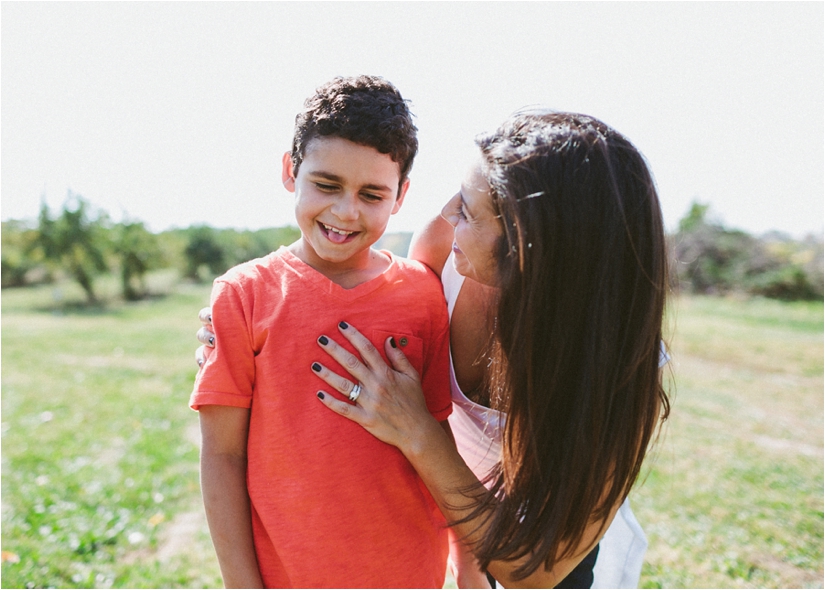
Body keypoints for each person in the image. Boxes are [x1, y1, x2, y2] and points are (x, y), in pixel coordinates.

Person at [197, 109, 670, 588]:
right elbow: (375, 308)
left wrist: (417, 430)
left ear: (528, 246)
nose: (446, 215)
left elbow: (533, 573)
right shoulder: (444, 254)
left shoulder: (621, 370)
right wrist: (247, 317)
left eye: (467, 210)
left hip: (543, 542)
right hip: (449, 525)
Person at [190, 75, 482, 588]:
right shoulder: (244, 294)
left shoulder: (421, 294)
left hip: (410, 571)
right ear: (290, 170)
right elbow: (222, 455)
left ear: (400, 196)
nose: (345, 212)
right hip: (289, 575)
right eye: (326, 185)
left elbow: (440, 441)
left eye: (372, 193)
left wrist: (470, 571)